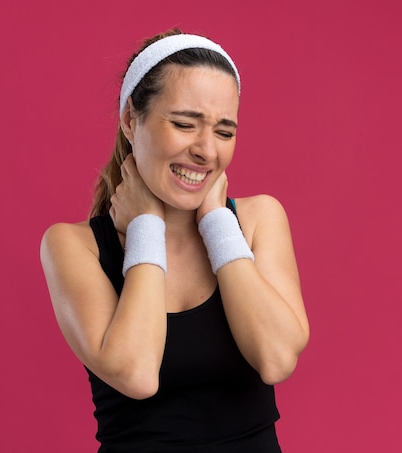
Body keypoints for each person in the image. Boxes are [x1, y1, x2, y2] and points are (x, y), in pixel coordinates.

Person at [40, 28, 309, 453]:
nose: (206, 150)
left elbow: (276, 358)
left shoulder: (258, 220)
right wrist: (146, 226)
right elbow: (137, 374)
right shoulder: (74, 247)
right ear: (131, 120)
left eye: (224, 132)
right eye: (185, 124)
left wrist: (218, 224)